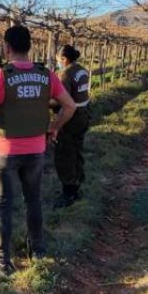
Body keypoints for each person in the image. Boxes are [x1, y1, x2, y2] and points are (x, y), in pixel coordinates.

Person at [0, 24, 76, 278]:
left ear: (7, 47)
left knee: (4, 205)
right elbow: (70, 106)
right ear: (30, 46)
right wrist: (53, 127)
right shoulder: (46, 74)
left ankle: (3, 262)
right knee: (33, 200)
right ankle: (37, 250)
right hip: (36, 149)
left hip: (4, 152)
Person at [53, 45, 92, 208]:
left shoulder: (65, 74)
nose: (58, 64)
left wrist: (44, 102)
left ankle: (69, 194)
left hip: (71, 118)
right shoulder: (82, 70)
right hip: (84, 114)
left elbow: (63, 101)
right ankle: (77, 183)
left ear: (64, 59)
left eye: (58, 61)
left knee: (64, 154)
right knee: (77, 150)